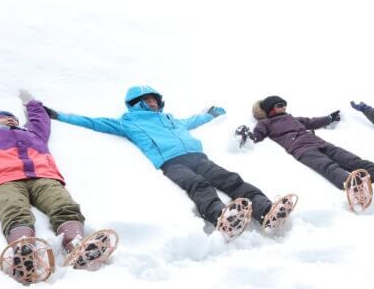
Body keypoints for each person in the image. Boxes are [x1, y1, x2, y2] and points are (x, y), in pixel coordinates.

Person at [47, 86, 293, 240]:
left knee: (231, 180)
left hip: (198, 157)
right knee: (198, 185)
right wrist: (59, 116)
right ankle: (221, 217)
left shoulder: (171, 119)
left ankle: (266, 209)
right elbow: (94, 122)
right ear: (136, 103)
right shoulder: (128, 123)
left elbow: (191, 121)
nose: (153, 103)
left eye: (155, 100)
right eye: (148, 100)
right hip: (171, 163)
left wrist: (209, 115)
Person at [0, 77, 116, 283]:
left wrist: (31, 103)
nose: (10, 120)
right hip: (5, 180)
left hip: (44, 177)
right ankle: (24, 251)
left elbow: (40, 119)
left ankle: (76, 244)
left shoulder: (33, 133)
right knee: (14, 210)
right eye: (2, 118)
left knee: (63, 205)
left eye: (12, 117)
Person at [238, 95, 374, 208]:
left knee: (354, 161)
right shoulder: (266, 123)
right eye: (279, 105)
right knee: (329, 167)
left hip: (319, 142)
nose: (283, 107)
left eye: (284, 104)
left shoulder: (292, 118)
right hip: (301, 149)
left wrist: (328, 118)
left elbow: (311, 121)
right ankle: (357, 190)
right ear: (270, 109)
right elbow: (257, 136)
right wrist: (247, 136)